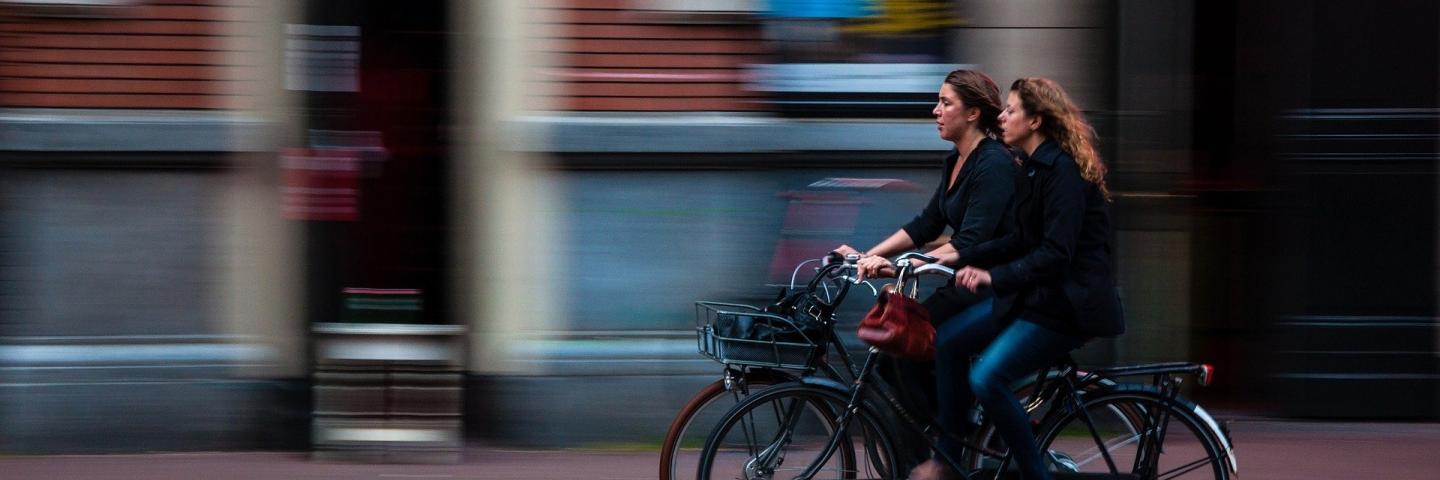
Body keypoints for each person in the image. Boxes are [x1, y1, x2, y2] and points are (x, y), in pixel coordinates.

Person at [911, 77, 1126, 480]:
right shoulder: (1031, 168)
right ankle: (949, 459)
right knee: (949, 343)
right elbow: (1018, 239)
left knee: (987, 377)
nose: (1002, 116)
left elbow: (1055, 252)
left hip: (1066, 305)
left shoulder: (1062, 172)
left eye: (1011, 110)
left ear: (1036, 121)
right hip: (1035, 296)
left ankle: (1035, 474)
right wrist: (959, 257)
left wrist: (991, 277)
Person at [832, 69, 1015, 458]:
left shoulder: (994, 163)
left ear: (972, 113)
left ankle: (948, 447)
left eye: (946, 103)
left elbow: (972, 241)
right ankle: (932, 449)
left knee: (907, 346)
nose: (936, 110)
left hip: (992, 287)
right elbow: (927, 223)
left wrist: (906, 267)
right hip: (961, 285)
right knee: (894, 356)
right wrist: (871, 254)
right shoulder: (956, 161)